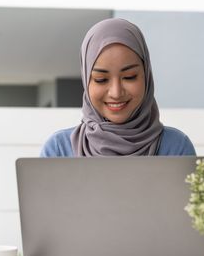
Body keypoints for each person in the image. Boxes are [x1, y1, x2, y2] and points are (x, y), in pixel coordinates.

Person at [40, 18, 195, 157]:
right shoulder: (59, 150)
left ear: (146, 76)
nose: (116, 93)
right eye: (101, 79)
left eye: (129, 77)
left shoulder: (176, 148)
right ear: (87, 81)